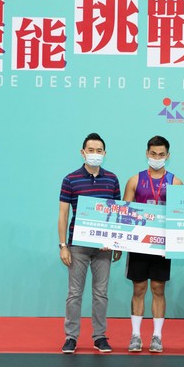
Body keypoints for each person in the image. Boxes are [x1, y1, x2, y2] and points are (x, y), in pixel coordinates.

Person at [57, 133, 122, 354]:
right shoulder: (70, 179)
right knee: (74, 293)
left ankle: (100, 336)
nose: (95, 154)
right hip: (78, 246)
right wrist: (63, 246)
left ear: (105, 153)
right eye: (91, 150)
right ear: (83, 152)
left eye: (99, 151)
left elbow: (117, 213)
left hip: (104, 247)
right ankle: (71, 337)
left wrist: (115, 242)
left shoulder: (112, 179)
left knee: (101, 293)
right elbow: (63, 215)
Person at [123, 135, 183, 353]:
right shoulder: (134, 180)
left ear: (168, 156)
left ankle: (157, 336)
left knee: (158, 288)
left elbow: (181, 216)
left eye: (161, 154)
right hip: (139, 245)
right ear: (147, 154)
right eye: (153, 154)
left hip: (162, 246)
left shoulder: (176, 183)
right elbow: (124, 214)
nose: (157, 158)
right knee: (138, 288)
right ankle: (136, 335)